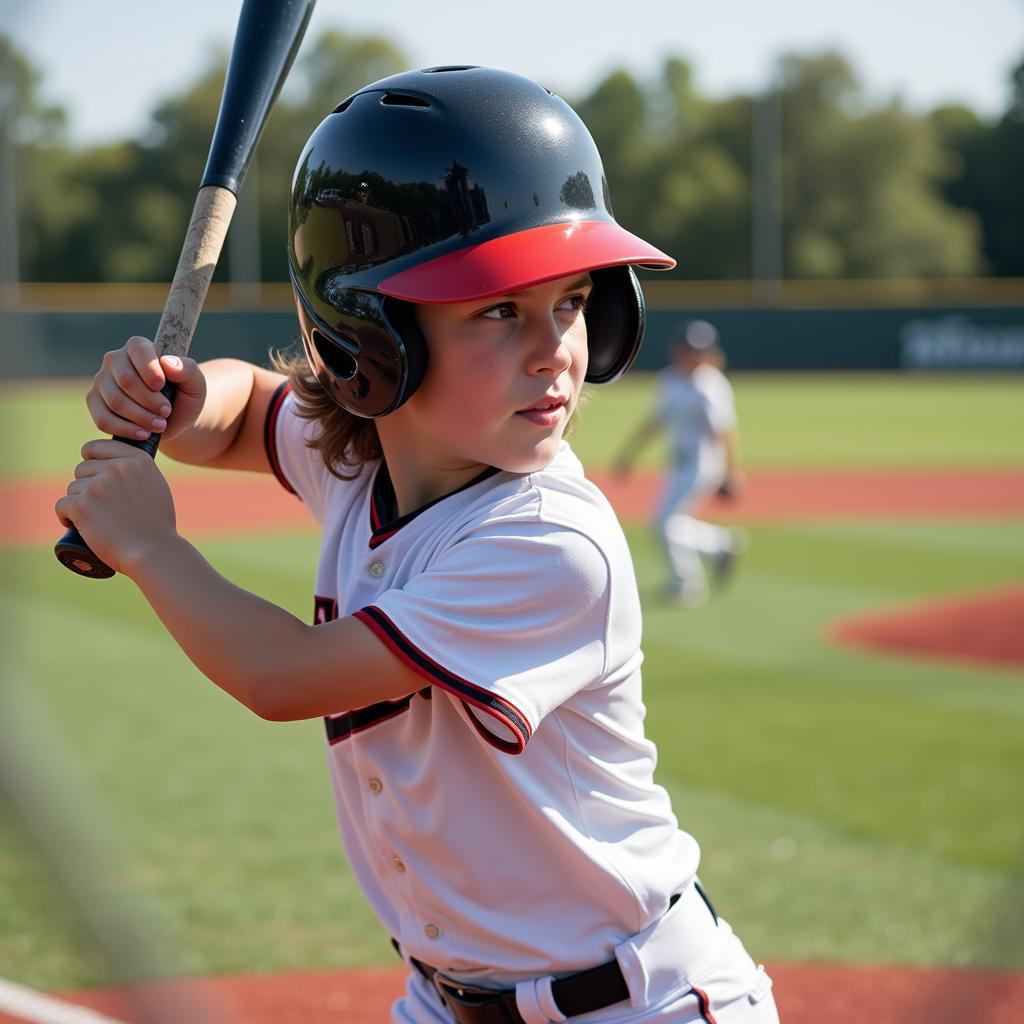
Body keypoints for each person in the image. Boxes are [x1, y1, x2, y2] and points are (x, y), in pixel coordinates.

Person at [57, 67, 779, 1024]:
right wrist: (181, 399)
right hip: (447, 1001)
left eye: (568, 301)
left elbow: (286, 676)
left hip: (633, 1007)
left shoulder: (549, 541)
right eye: (496, 310)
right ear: (372, 340)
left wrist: (152, 548)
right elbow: (245, 416)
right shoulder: (367, 460)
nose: (553, 347)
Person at [615, 319, 747, 608]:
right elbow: (655, 421)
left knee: (664, 524)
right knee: (668, 523)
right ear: (678, 349)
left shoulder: (710, 385)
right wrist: (630, 454)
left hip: (702, 464)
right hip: (678, 464)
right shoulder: (670, 379)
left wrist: (732, 470)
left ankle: (687, 583)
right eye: (688, 348)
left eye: (699, 350)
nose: (693, 355)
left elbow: (725, 431)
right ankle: (721, 544)